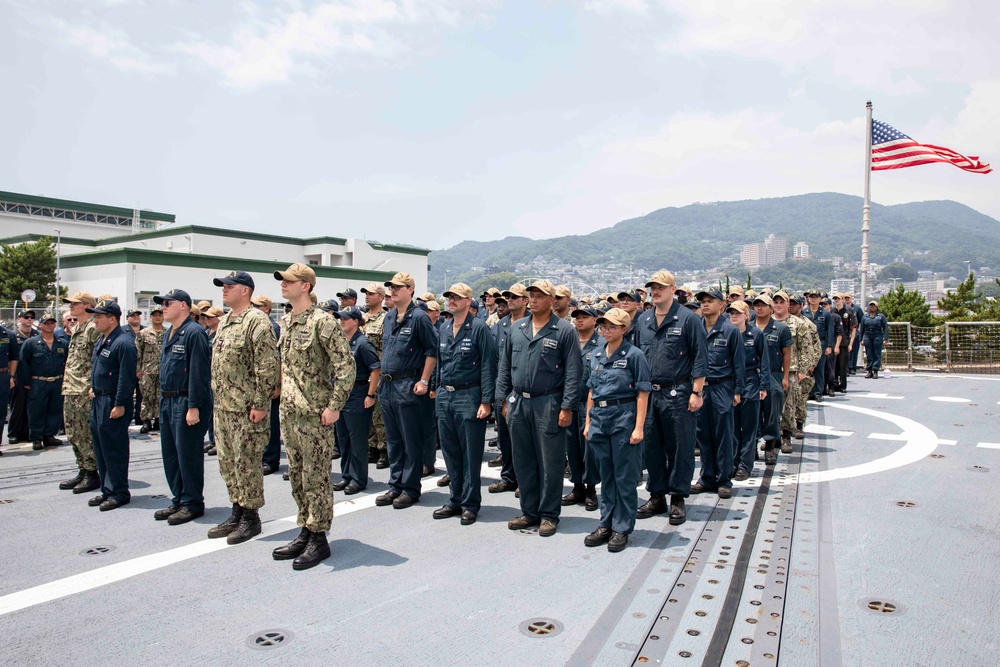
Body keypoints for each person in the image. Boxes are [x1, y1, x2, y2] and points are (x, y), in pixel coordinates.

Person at [269, 264, 354, 569]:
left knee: (316, 478)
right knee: (298, 478)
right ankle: (305, 528)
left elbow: (346, 367)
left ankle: (319, 538)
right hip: (290, 414)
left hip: (315, 415)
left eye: (288, 281)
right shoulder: (287, 320)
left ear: (304, 286)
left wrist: (334, 407)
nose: (283, 285)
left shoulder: (323, 322)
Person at [497, 279, 582, 537]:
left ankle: (548, 514)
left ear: (551, 299)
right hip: (519, 402)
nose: (532, 299)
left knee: (550, 462)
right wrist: (502, 399)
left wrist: (567, 406)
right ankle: (529, 511)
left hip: (549, 402)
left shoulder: (564, 330)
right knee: (523, 459)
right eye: (530, 295)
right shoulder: (517, 328)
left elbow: (573, 372)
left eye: (539, 296)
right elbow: (505, 366)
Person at [207, 270, 280, 544]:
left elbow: (267, 366)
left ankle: (251, 517)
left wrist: (261, 403)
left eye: (229, 286)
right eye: (223, 286)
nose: (224, 290)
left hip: (247, 409)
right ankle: (237, 510)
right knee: (228, 464)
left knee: (247, 463)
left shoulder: (257, 322)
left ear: (245, 291)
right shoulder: (225, 321)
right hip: (224, 408)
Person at [634, 271, 708, 526]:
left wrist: (697, 392)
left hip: (679, 393)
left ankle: (677, 497)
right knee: (651, 446)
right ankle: (657, 496)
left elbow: (700, 356)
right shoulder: (643, 320)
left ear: (673, 289)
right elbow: (636, 358)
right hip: (650, 394)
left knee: (680, 447)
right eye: (652, 287)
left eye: (661, 287)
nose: (656, 291)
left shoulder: (688, 319)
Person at [583, 307, 650, 552]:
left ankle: (622, 527)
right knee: (607, 476)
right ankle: (606, 523)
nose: (606, 330)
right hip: (600, 419)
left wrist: (638, 427)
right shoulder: (596, 354)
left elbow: (642, 393)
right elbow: (591, 390)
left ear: (625, 329)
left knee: (624, 476)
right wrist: (588, 423)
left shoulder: (634, 355)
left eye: (612, 326)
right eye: (603, 326)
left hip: (623, 418)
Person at [429, 284, 496, 526]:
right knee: (450, 452)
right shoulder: (445, 327)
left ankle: (469, 503)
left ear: (468, 301)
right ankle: (454, 499)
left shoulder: (478, 328)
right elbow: (440, 361)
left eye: (457, 298)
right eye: (449, 297)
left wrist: (486, 402)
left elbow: (489, 366)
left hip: (469, 396)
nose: (451, 301)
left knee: (470, 454)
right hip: (446, 397)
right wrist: (435, 388)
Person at [375, 272, 438, 510]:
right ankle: (396, 485)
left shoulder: (419, 318)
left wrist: (424, 380)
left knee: (411, 440)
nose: (393, 290)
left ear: (410, 289)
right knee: (393, 440)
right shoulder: (389, 317)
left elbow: (432, 351)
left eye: (399, 287)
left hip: (407, 384)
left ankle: (410, 488)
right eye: (391, 287)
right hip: (388, 385)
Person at [152, 289, 211, 525]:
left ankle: (192, 502)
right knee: (171, 454)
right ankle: (179, 498)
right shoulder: (170, 332)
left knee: (188, 455)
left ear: (184, 306)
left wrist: (194, 406)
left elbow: (198, 372)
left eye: (168, 303)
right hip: (168, 400)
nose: (163, 307)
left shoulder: (193, 332)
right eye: (162, 303)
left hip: (186, 400)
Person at [85, 299, 137, 511]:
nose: (95, 320)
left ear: (112, 319)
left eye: (99, 316)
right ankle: (107, 489)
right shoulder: (102, 340)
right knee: (101, 447)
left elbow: (126, 377)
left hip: (112, 402)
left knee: (114, 449)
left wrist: (120, 404)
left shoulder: (123, 343)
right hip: (99, 399)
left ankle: (119, 492)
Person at [691, 289, 744, 498]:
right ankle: (706, 477)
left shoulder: (730, 330)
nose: (705, 305)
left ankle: (723, 479)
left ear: (721, 304)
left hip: (722, 387)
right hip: (701, 388)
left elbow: (739, 363)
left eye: (710, 301)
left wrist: (738, 391)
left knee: (723, 434)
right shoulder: (696, 329)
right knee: (703, 434)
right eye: (702, 302)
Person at [333, 306, 379, 495]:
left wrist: (370, 395)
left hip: (358, 393)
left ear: (355, 321)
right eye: (340, 318)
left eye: (345, 318)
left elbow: (376, 369)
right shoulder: (342, 341)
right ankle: (347, 476)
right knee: (343, 439)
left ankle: (359, 478)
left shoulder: (362, 343)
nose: (341, 321)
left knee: (357, 440)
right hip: (342, 395)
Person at [487, 283, 528, 493]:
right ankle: (508, 476)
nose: (510, 300)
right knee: (505, 436)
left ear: (525, 300)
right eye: (507, 297)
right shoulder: (500, 325)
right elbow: (492, 359)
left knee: (524, 438)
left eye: (514, 297)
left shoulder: (532, 323)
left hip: (524, 388)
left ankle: (525, 479)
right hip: (503, 387)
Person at [564, 304, 604, 511]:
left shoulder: (601, 344)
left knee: (590, 448)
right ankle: (577, 485)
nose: (579, 320)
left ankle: (591, 488)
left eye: (584, 317)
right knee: (572, 446)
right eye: (577, 317)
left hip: (591, 403)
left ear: (595, 320)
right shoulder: (569, 341)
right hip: (570, 402)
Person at [727, 301, 769, 480]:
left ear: (746, 315)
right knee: (733, 427)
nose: (734, 316)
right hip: (731, 382)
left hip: (751, 381)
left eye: (738, 313)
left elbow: (765, 360)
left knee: (749, 426)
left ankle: (745, 465)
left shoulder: (756, 334)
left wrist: (764, 386)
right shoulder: (726, 333)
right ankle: (734, 462)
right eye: (731, 313)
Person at [771, 291, 816, 454]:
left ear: (788, 304)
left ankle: (786, 437)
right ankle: (773, 437)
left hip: (792, 371)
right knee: (770, 407)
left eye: (781, 302)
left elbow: (807, 349)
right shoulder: (766, 323)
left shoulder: (798, 324)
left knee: (789, 407)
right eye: (775, 302)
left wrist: (803, 371)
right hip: (771, 371)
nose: (778, 305)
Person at [19, 313, 68, 450]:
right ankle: (36, 437)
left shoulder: (62, 343)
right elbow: (23, 363)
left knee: (55, 409)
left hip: (57, 381)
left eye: (52, 323)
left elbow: (67, 362)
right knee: (36, 410)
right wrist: (26, 382)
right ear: (40, 325)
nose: (49, 325)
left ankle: (49, 435)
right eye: (46, 323)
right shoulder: (31, 343)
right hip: (38, 382)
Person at [753, 294, 791, 465]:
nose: (759, 308)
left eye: (763, 305)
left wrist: (785, 376)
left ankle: (770, 446)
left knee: (771, 412)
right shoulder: (747, 327)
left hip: (773, 374)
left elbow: (786, 354)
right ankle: (751, 446)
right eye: (756, 305)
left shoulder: (781, 329)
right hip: (752, 375)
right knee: (750, 414)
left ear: (771, 308)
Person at [252, 294, 283, 476]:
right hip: (256, 383)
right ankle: (261, 456)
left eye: (258, 306)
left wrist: (277, 384)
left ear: (267, 308)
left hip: (270, 383)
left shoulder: (273, 327)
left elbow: (277, 358)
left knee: (271, 423)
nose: (255, 308)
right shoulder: (255, 325)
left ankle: (271, 460)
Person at [361, 282, 389, 469]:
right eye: (366, 293)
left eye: (371, 293)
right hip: (362, 372)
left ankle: (384, 449)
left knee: (380, 414)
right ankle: (371, 445)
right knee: (367, 413)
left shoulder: (386, 319)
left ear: (381, 297)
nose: (367, 296)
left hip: (378, 371)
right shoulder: (361, 319)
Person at [7, 310, 39, 444]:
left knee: (31, 405)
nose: (29, 319)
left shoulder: (37, 335)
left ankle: (27, 432)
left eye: (32, 317)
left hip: (33, 375)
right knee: (17, 405)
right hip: (18, 375)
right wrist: (11, 376)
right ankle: (14, 433)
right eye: (26, 317)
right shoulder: (13, 335)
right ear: (19, 319)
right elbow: (11, 357)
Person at [136, 306, 165, 433]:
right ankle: (146, 420)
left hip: (163, 370)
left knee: (160, 395)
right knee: (147, 396)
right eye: (155, 315)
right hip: (147, 370)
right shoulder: (143, 333)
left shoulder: (168, 332)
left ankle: (158, 419)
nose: (158, 317)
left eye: (160, 315)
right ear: (151, 317)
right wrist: (138, 369)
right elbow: (138, 352)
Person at [802, 290, 835, 401]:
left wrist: (829, 346)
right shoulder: (803, 312)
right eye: (811, 297)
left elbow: (830, 330)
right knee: (807, 369)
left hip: (821, 343)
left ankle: (818, 392)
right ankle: (808, 392)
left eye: (816, 297)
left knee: (819, 369)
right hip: (806, 344)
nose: (813, 299)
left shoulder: (825, 314)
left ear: (820, 299)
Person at [202, 306, 223, 456]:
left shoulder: (221, 334)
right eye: (206, 317)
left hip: (218, 377)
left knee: (218, 411)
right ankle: (212, 439)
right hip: (206, 376)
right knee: (209, 410)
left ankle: (219, 441)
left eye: (210, 317)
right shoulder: (204, 333)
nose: (207, 320)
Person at [0, 317, 19, 454]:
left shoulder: (8, 335)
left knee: (1, 411)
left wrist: (11, 376)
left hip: (2, 375)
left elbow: (13, 357)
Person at [832, 294, 856, 392]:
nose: (836, 300)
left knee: (843, 365)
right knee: (834, 365)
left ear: (842, 299)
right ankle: (834, 384)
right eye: (835, 299)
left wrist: (851, 343)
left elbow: (853, 328)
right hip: (834, 341)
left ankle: (842, 385)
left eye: (838, 299)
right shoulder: (831, 312)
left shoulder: (849, 311)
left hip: (845, 342)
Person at [861, 301, 888, 378]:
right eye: (871, 306)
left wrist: (885, 338)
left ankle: (875, 370)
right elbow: (862, 328)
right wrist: (861, 339)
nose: (872, 307)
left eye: (874, 306)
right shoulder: (865, 316)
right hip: (867, 335)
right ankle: (869, 370)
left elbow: (885, 328)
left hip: (877, 335)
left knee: (877, 353)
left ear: (877, 307)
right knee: (869, 353)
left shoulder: (881, 316)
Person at [844, 293, 865, 374]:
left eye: (848, 298)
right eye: (845, 298)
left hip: (854, 331)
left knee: (854, 351)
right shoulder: (843, 308)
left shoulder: (857, 309)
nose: (847, 299)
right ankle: (846, 368)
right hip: (845, 333)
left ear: (851, 298)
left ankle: (852, 367)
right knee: (845, 351)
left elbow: (862, 320)